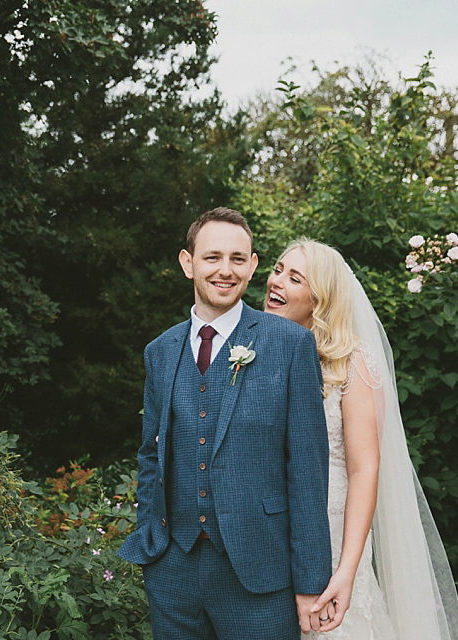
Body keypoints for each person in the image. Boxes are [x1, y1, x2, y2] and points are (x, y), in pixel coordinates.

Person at [117, 208, 334, 639]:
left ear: (253, 266)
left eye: (238, 258)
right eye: (212, 257)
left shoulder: (291, 345)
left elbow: (309, 470)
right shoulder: (159, 351)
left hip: (259, 575)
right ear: (188, 263)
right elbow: (149, 454)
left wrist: (312, 584)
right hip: (172, 574)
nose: (225, 270)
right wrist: (151, 539)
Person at [263, 237, 458, 640]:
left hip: (333, 533)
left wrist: (347, 571)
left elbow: (364, 468)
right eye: (277, 269)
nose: (276, 282)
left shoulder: (351, 363)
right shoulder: (259, 351)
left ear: (320, 299)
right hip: (269, 538)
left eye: (294, 278)